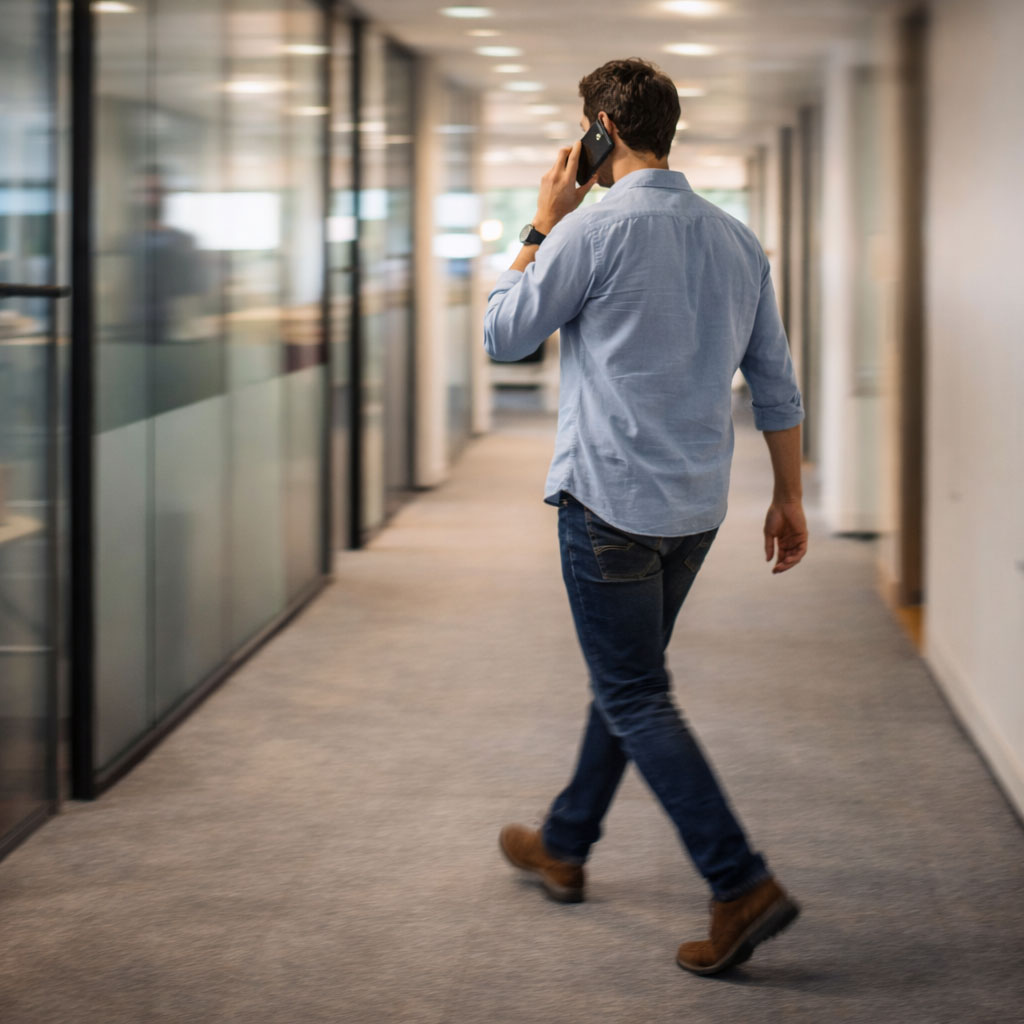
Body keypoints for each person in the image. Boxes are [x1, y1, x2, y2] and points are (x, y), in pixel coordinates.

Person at [483, 58, 807, 977]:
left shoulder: (590, 229)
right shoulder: (738, 241)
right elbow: (777, 387)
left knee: (632, 691)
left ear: (599, 131)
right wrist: (788, 496)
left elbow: (505, 336)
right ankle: (566, 842)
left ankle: (738, 880)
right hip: (695, 510)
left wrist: (538, 224)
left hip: (609, 506)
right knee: (627, 677)